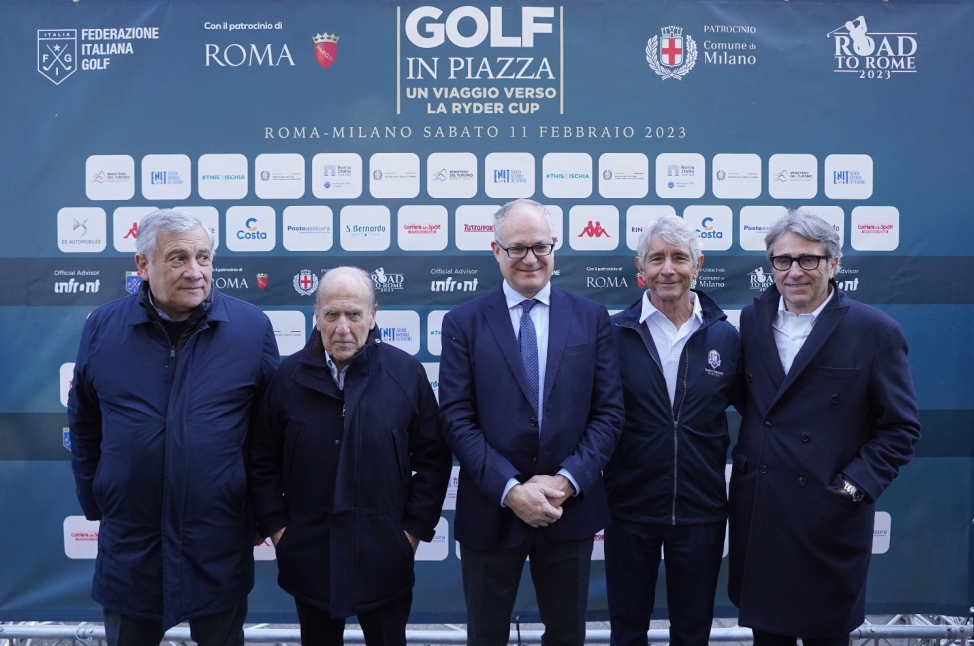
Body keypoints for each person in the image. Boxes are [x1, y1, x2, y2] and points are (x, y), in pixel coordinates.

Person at [68, 209, 280, 646]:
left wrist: (261, 512)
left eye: (203, 257)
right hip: (131, 542)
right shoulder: (102, 328)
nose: (195, 271)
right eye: (178, 258)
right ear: (142, 266)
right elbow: (84, 421)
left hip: (216, 538)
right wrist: (97, 494)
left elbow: (270, 434)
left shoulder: (250, 329)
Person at [728, 209, 920, 646]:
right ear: (770, 265)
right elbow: (754, 403)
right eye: (783, 260)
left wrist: (852, 487)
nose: (794, 271)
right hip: (764, 515)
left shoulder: (875, 331)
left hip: (828, 520)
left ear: (833, 264)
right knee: (767, 638)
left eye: (808, 260)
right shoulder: (751, 322)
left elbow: (901, 428)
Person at [438, 198, 624, 646]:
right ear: (496, 251)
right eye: (517, 248)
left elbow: (609, 413)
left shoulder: (591, 318)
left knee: (566, 636)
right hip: (491, 508)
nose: (530, 259)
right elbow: (457, 418)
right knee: (486, 636)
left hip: (568, 509)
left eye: (540, 246)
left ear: (554, 247)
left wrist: (566, 480)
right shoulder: (462, 323)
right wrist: (510, 489)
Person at [249, 266, 451, 646]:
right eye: (332, 315)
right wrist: (279, 531)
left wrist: (409, 534)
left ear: (374, 314)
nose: (343, 327)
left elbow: (433, 458)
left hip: (385, 556)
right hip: (310, 556)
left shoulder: (405, 374)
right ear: (317, 316)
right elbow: (262, 461)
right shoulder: (287, 378)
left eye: (354, 314)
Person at [605, 216, 741, 646]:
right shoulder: (612, 334)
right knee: (627, 633)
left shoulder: (726, 336)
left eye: (679, 257)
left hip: (701, 511)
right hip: (630, 510)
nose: (668, 268)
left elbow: (760, 415)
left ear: (697, 265)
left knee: (693, 633)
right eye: (657, 258)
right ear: (639, 269)